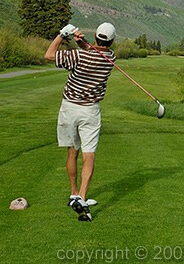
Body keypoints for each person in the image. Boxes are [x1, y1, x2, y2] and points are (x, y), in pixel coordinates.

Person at [44, 22, 116, 222]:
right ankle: (82, 197)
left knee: (72, 151)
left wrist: (62, 34)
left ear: (95, 37)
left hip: (69, 109)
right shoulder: (110, 58)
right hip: (90, 112)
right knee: (89, 155)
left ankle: (73, 193)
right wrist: (82, 43)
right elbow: (96, 52)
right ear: (112, 41)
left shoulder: (78, 56)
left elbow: (49, 55)